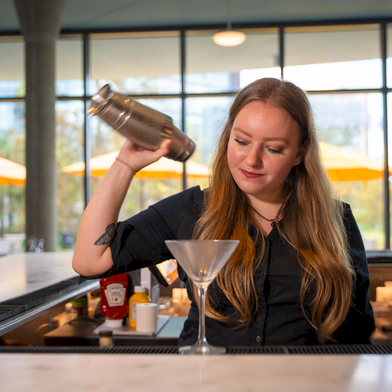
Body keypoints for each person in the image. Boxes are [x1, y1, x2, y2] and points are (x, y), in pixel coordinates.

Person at [73, 77, 375, 346]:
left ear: (299, 153)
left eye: (273, 148)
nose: (251, 160)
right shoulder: (191, 210)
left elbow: (357, 329)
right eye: (241, 141)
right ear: (227, 137)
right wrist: (125, 164)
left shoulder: (337, 221)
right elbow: (90, 261)